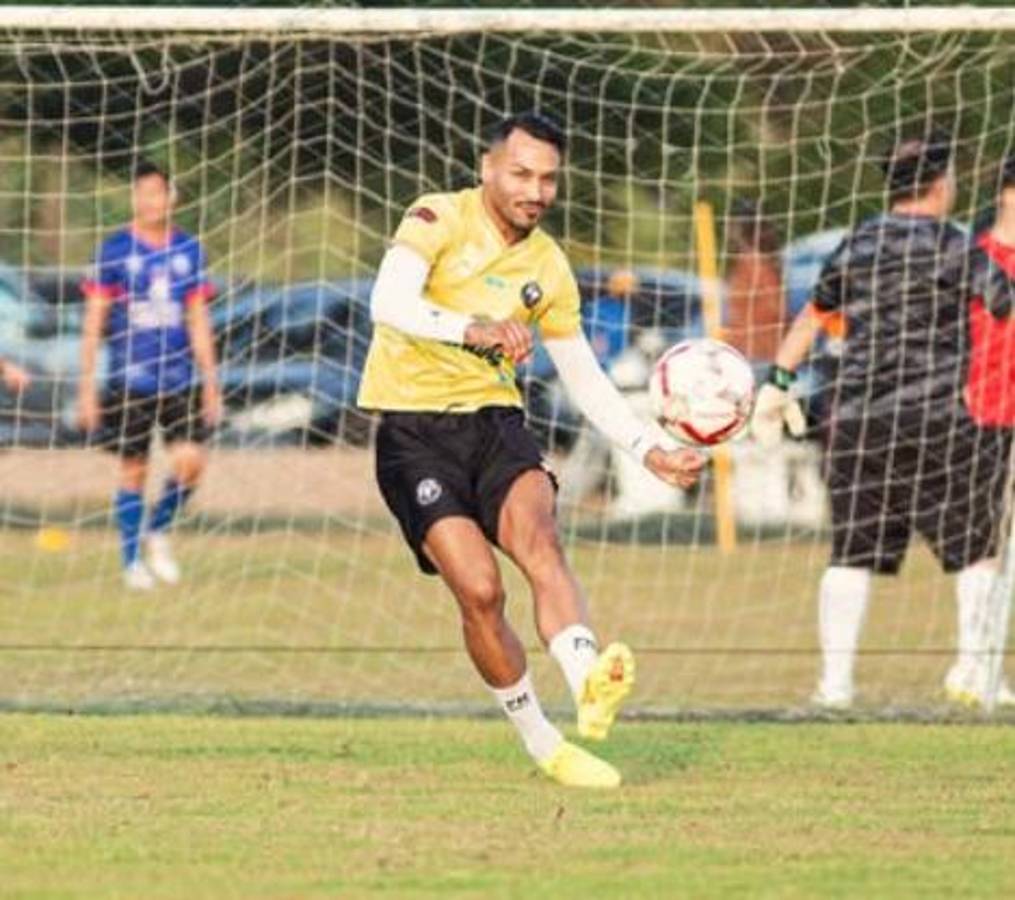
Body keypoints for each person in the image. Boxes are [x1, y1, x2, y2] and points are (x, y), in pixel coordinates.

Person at [357, 112, 705, 788]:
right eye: (520, 173)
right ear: (488, 168)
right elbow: (386, 301)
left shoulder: (548, 265)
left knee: (539, 538)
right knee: (480, 593)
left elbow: (582, 376)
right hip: (413, 435)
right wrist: (473, 328)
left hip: (495, 424)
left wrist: (648, 447)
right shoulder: (437, 216)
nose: (534, 190)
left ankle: (587, 681)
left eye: (547, 178)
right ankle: (543, 742)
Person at [753, 134, 1014, 708]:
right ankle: (974, 672)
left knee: (851, 553)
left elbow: (814, 315)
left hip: (857, 419)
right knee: (977, 549)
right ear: (941, 184)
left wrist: (776, 383)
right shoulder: (954, 245)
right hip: (940, 418)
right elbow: (1002, 303)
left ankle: (835, 688)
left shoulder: (858, 241)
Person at [79, 161, 220, 591]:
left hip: (179, 377)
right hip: (130, 378)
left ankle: (156, 530)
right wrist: (85, 387)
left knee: (191, 463)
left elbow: (198, 320)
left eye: (157, 193)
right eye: (142, 194)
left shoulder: (189, 251)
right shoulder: (116, 250)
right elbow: (93, 321)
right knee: (133, 470)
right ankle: (131, 564)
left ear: (171, 197)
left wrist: (211, 382)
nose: (150, 201)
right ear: (135, 198)